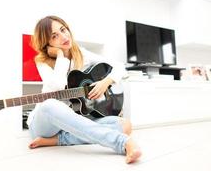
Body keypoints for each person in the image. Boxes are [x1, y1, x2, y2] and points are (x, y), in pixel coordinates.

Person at [26, 15, 142, 164]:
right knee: (49, 104)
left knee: (124, 125)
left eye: (63, 30)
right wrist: (61, 55)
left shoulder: (81, 53)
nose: (63, 37)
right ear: (47, 43)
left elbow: (120, 67)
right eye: (54, 36)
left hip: (74, 120)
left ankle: (57, 140)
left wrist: (106, 82)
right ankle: (122, 142)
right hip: (45, 124)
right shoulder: (42, 62)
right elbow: (58, 85)